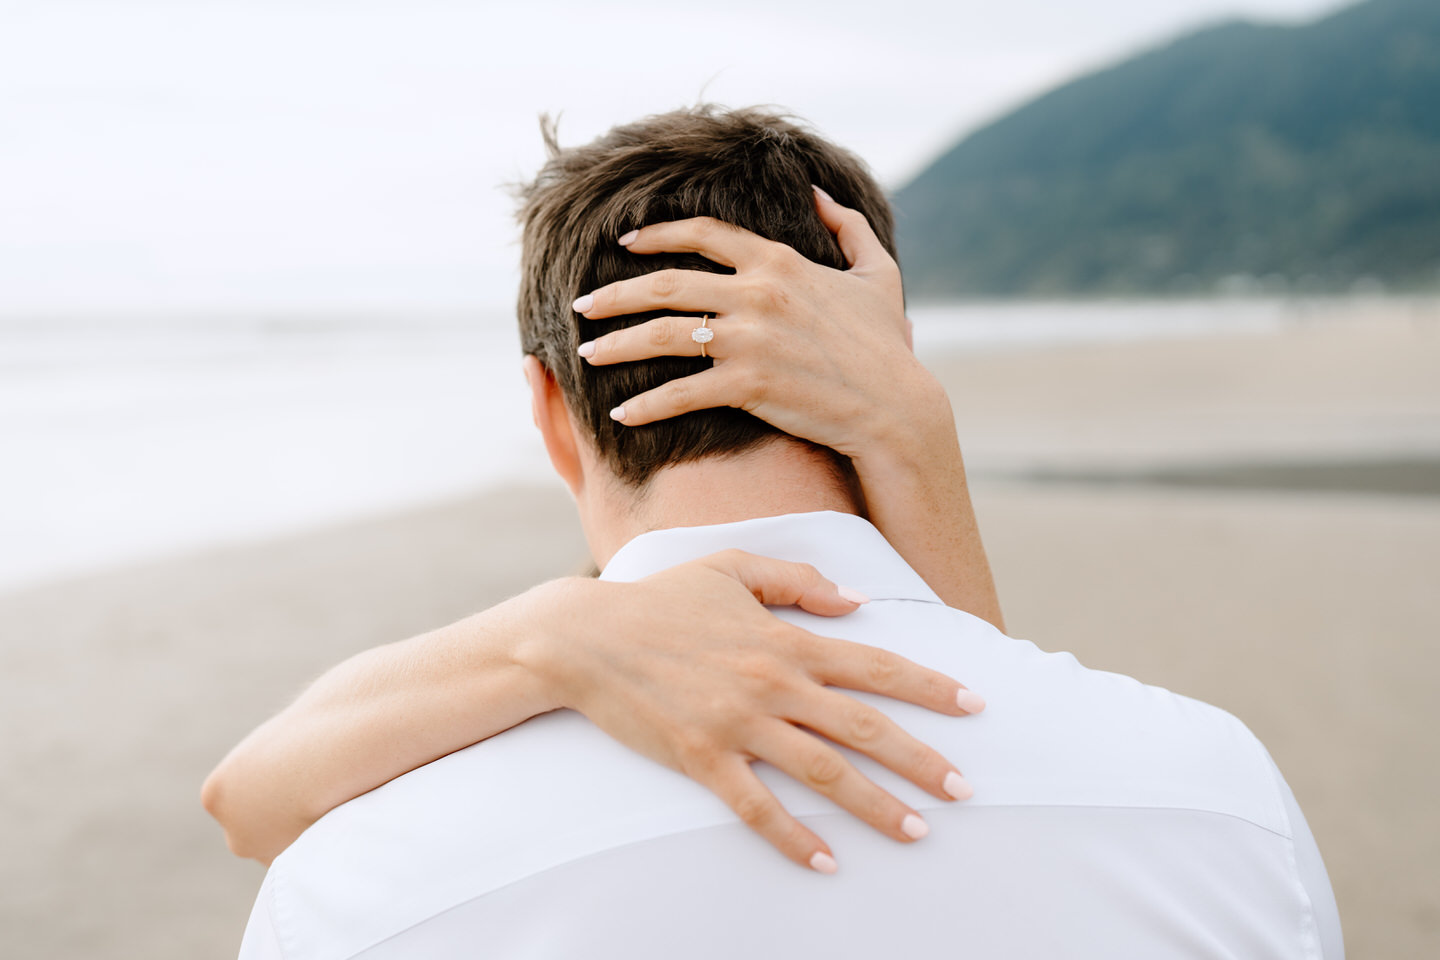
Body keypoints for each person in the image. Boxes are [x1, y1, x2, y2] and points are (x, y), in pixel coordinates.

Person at [221, 106, 1341, 959]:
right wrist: (912, 432)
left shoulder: (363, 883)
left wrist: (550, 630)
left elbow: (244, 804)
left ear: (550, 418)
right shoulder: (1223, 797)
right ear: (893, 357)